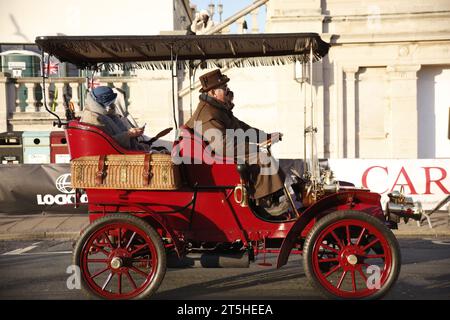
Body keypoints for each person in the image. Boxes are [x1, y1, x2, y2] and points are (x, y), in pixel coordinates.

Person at [184, 69, 289, 216]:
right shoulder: (208, 115)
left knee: (262, 155)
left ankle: (271, 199)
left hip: (220, 157)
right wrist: (254, 148)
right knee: (261, 157)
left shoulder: (217, 109)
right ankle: (265, 204)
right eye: (224, 89)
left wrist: (264, 137)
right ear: (213, 93)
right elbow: (224, 146)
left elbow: (240, 128)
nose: (228, 91)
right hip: (214, 164)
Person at [80, 86, 149, 151]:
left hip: (119, 150)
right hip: (113, 153)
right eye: (110, 102)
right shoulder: (93, 117)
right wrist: (129, 134)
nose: (112, 104)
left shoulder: (104, 114)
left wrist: (132, 133)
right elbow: (106, 143)